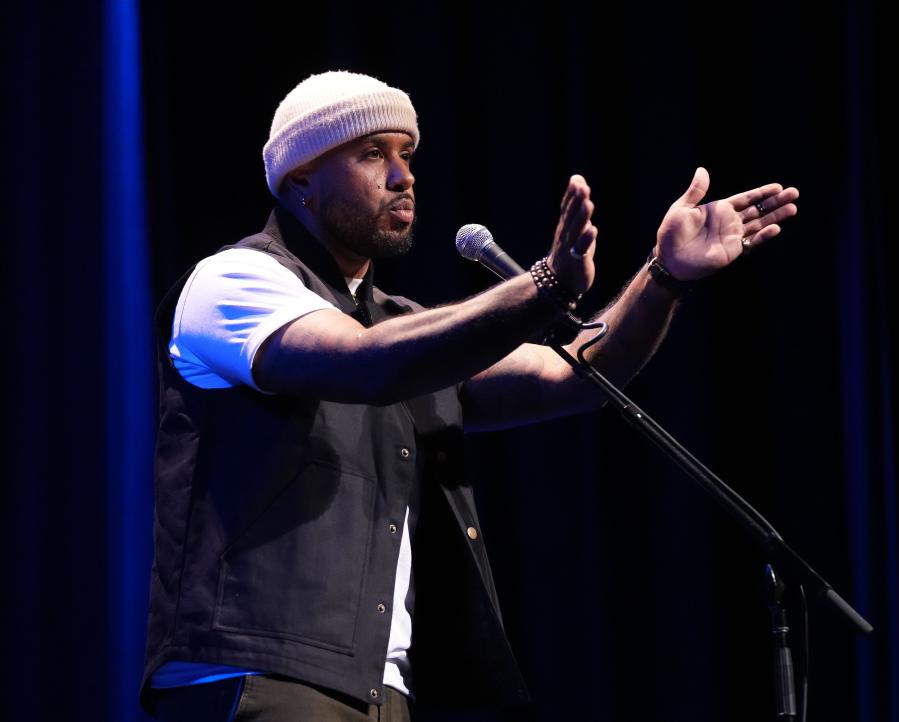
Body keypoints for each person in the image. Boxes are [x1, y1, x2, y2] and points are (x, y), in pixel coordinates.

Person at [140, 70, 799, 721]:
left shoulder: (399, 323)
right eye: (373, 154)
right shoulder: (235, 282)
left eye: (407, 155)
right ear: (301, 181)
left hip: (379, 690)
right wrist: (542, 286)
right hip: (262, 677)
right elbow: (368, 364)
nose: (403, 176)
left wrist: (664, 277)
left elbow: (574, 375)